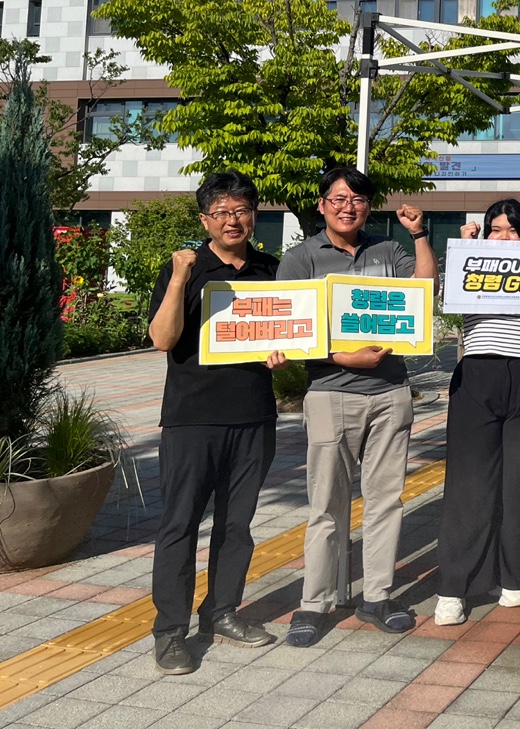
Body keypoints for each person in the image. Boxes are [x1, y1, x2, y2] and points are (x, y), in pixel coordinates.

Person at [280, 166, 436, 647]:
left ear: (369, 206)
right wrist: (341, 357)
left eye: (358, 200)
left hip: (390, 392)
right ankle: (314, 603)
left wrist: (420, 235)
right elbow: (291, 329)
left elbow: (424, 293)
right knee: (326, 505)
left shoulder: (388, 249)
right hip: (331, 392)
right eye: (339, 198)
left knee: (386, 500)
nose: (348, 207)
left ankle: (377, 596)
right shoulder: (300, 257)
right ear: (322, 204)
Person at [147, 172, 288, 675]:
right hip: (192, 418)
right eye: (222, 212)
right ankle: (170, 632)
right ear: (205, 219)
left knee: (237, 524)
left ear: (255, 215)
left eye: (242, 210)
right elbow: (163, 339)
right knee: (180, 524)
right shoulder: (186, 268)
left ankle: (222, 611)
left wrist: (284, 353)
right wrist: (179, 278)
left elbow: (291, 331)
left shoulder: (271, 270)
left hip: (253, 415)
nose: (233, 220)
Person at [434, 200, 520, 626]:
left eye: (513, 229)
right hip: (479, 374)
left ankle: (515, 575)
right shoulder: (468, 261)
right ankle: (454, 586)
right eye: (496, 229)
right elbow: (444, 300)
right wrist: (462, 250)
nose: (505, 237)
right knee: (469, 485)